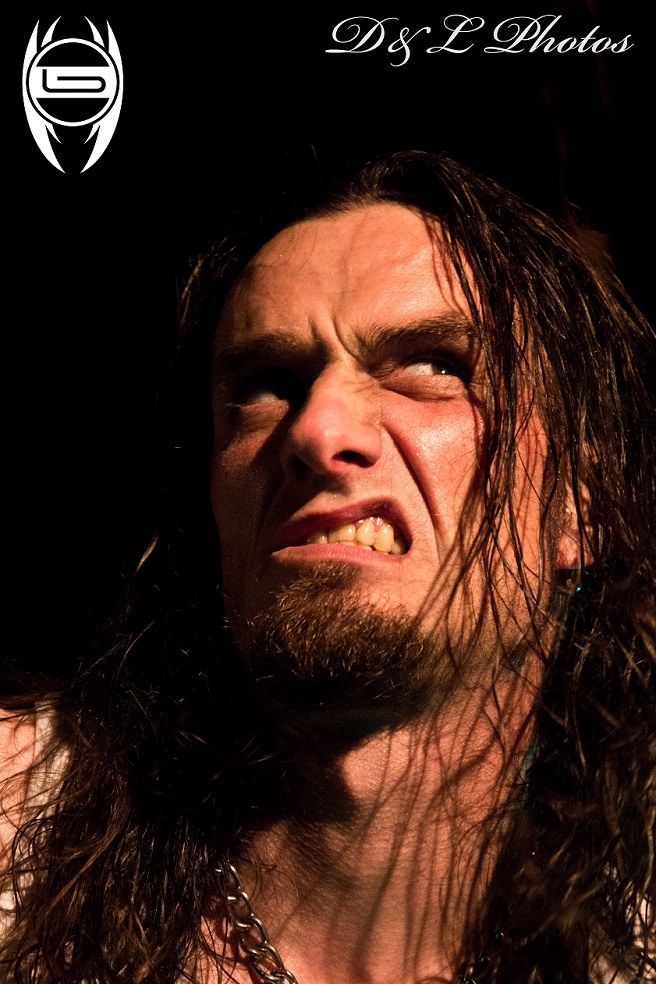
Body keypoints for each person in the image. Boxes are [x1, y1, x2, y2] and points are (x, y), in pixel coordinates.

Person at [1, 150, 655, 984]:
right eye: (267, 385)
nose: (316, 430)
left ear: (582, 504)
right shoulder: (18, 826)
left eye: (433, 365)